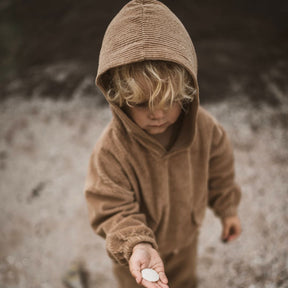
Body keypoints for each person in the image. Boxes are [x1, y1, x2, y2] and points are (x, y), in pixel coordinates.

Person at [84, 0, 242, 287]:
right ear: (119, 99)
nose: (157, 113)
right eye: (142, 103)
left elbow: (220, 169)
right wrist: (137, 244)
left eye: (168, 101)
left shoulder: (205, 129)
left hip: (185, 240)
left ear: (187, 92)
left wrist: (227, 208)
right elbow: (112, 208)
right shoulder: (111, 150)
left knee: (184, 281)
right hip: (137, 256)